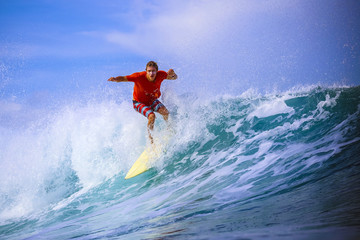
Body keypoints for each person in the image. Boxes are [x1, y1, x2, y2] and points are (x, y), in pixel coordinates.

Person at [108, 61, 177, 143]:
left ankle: (170, 130)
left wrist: (173, 74)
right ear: (146, 71)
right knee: (152, 116)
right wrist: (115, 79)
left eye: (153, 71)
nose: (151, 73)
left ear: (157, 71)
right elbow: (124, 78)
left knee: (165, 113)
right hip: (138, 103)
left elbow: (174, 78)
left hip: (152, 100)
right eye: (149, 71)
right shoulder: (139, 76)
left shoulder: (161, 75)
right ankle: (151, 140)